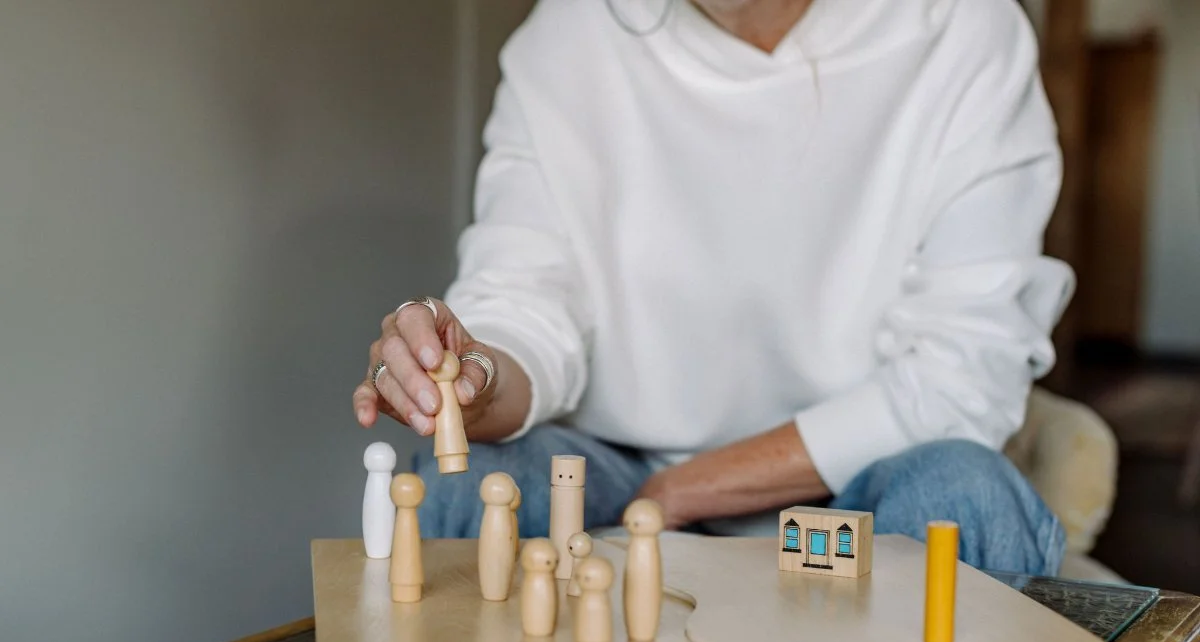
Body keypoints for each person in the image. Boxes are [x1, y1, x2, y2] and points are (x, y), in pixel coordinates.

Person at [352, 0, 1075, 576]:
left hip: (863, 479)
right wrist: (469, 373)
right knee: (470, 483)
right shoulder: (567, 37)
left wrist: (684, 491)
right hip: (617, 463)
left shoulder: (965, 30)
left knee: (965, 496)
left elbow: (961, 378)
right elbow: (525, 304)